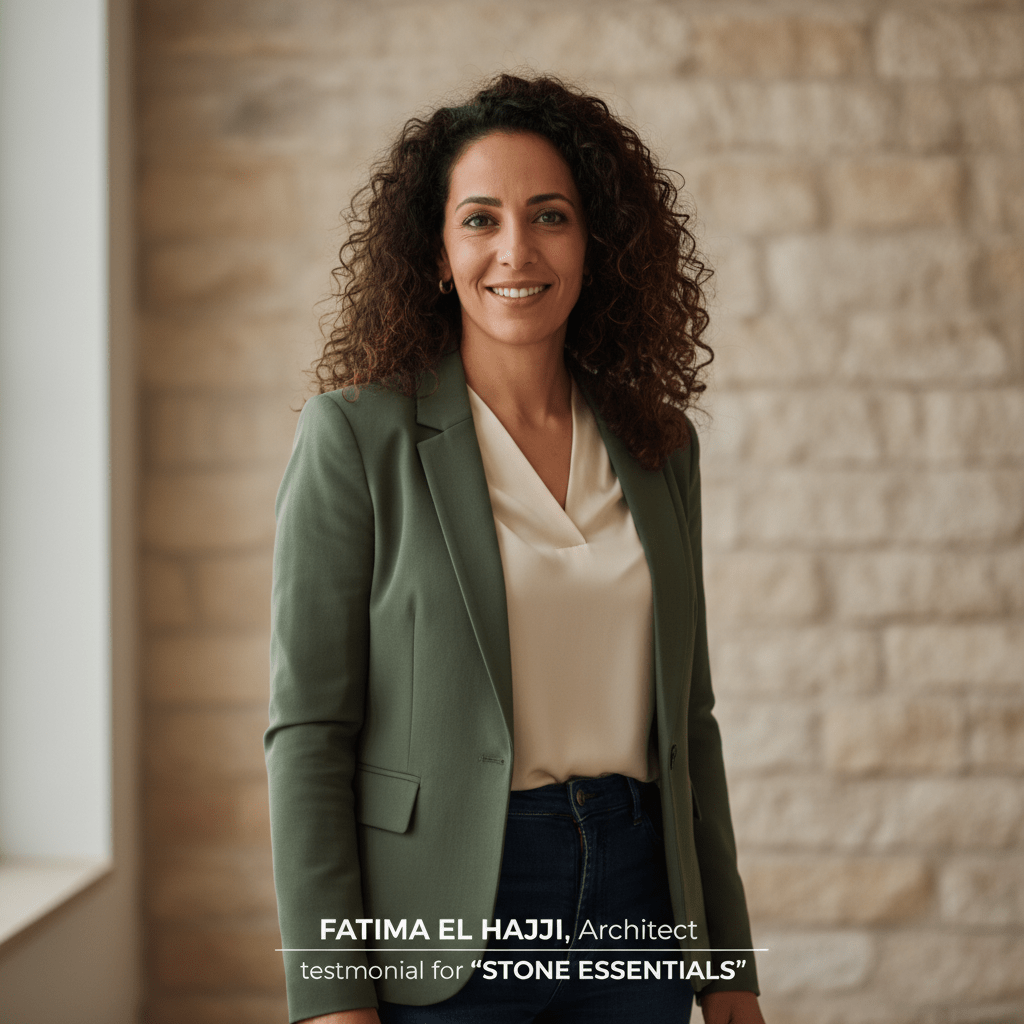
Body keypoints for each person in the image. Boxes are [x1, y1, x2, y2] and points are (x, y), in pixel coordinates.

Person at [266, 73, 765, 1024]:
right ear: (438, 253)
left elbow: (689, 723)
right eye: (481, 219)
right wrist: (329, 994)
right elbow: (309, 735)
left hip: (639, 901)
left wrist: (727, 961)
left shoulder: (661, 447)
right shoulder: (356, 438)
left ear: (594, 243)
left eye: (550, 216)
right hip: (447, 912)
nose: (516, 250)